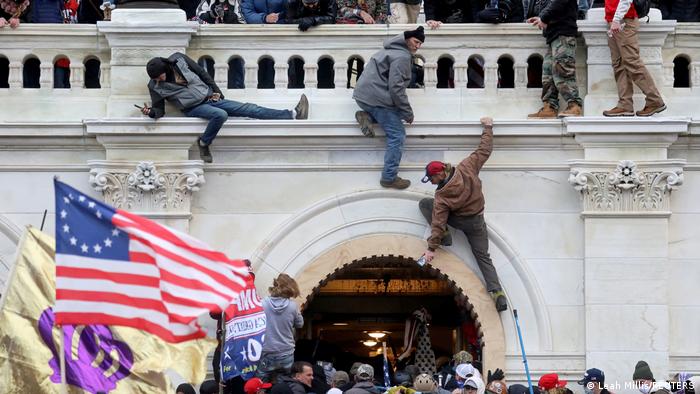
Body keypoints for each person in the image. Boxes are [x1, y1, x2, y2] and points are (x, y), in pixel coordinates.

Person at [143, 53, 309, 163]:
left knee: (250, 109)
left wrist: (217, 92)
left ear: (165, 68)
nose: (159, 79)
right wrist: (151, 112)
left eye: (160, 75)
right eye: (156, 78)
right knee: (220, 115)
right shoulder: (155, 86)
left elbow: (202, 73)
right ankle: (203, 143)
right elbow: (159, 110)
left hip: (211, 97)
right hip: (193, 108)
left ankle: (292, 114)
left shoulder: (179, 60)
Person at [418, 117, 508, 312]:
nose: (432, 182)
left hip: (459, 221)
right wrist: (488, 127)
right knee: (483, 257)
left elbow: (438, 222)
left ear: (440, 174)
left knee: (426, 204)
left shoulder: (441, 196)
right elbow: (484, 150)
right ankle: (497, 292)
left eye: (432, 178)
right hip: (477, 221)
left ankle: (446, 237)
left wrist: (431, 248)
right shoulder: (466, 167)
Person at [353, 26, 425, 189]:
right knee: (397, 134)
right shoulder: (402, 56)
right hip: (377, 98)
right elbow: (396, 88)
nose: (417, 46)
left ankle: (367, 116)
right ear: (406, 40)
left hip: (364, 96)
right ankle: (389, 177)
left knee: (391, 114)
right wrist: (408, 113)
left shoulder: (390, 49)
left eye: (420, 43)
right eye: (415, 42)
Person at [601, 0, 666, 117]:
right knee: (619, 64)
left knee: (632, 62)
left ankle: (655, 100)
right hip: (616, 20)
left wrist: (616, 19)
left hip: (624, 20)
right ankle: (625, 105)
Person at [526, 0, 583, 118]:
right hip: (553, 35)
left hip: (563, 34)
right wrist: (541, 18)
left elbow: (558, 3)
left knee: (563, 71)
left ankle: (574, 106)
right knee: (548, 74)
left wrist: (543, 18)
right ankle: (549, 108)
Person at [258, 274, 304, 382]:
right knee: (285, 385)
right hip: (286, 352)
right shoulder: (292, 306)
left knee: (261, 385)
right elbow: (300, 324)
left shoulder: (262, 303)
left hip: (266, 351)